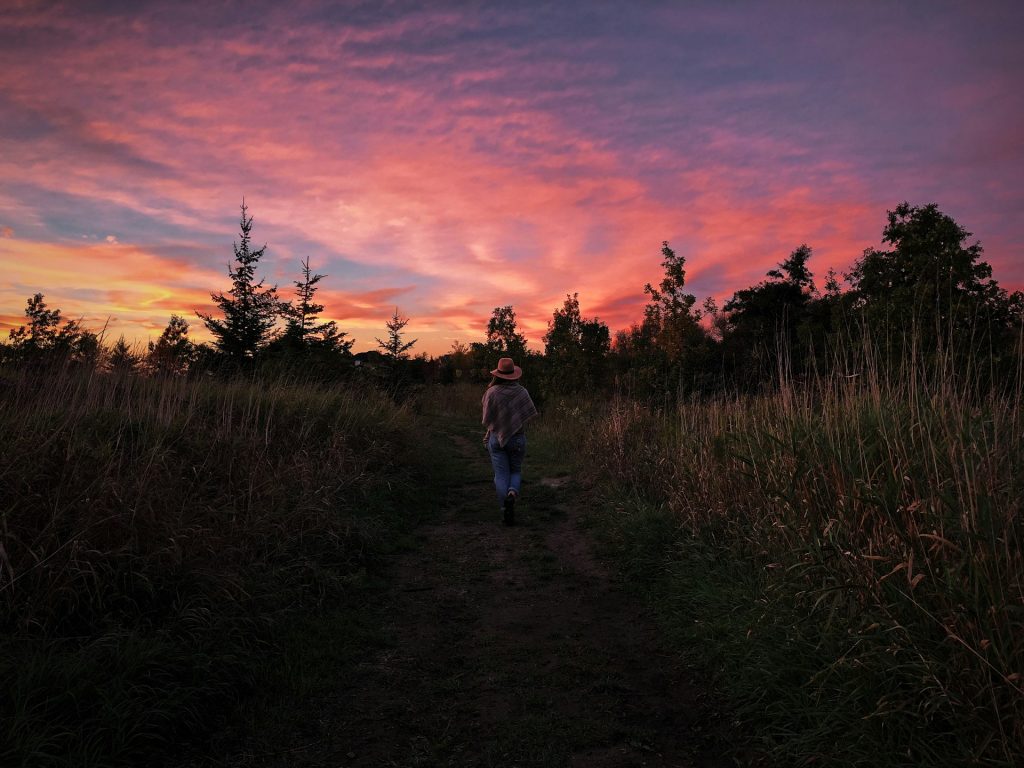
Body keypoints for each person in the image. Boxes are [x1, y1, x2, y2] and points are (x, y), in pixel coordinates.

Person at [481, 357, 538, 525]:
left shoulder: (491, 392)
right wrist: (513, 422)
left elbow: (487, 419)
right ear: (514, 374)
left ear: (498, 374)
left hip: (496, 439)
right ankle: (512, 494)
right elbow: (527, 416)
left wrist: (499, 426)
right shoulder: (522, 392)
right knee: (515, 471)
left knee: (500, 474)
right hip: (518, 438)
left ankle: (504, 509)